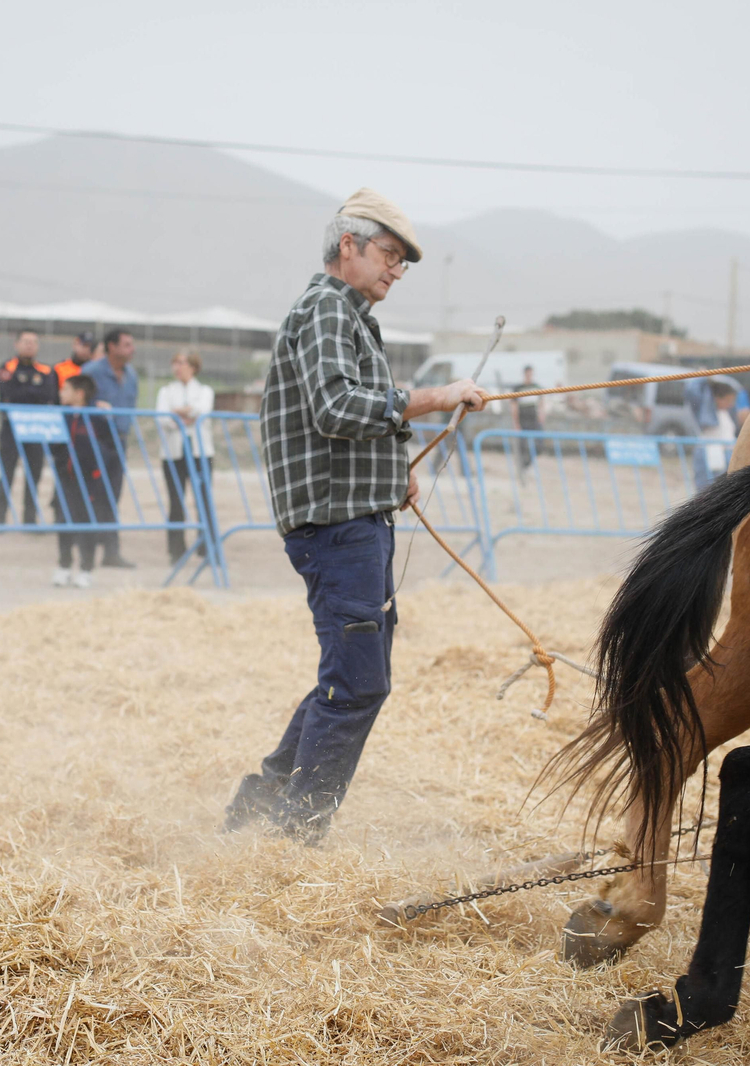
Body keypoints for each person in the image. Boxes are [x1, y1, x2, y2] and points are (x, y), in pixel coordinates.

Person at [223, 189, 484, 844]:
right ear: (350, 247)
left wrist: (389, 476)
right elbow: (336, 408)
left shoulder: (346, 315)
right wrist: (437, 397)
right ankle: (294, 835)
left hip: (349, 522)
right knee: (359, 682)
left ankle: (262, 804)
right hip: (336, 530)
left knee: (349, 678)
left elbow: (342, 420)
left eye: (402, 260)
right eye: (390, 254)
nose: (397, 269)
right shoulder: (327, 310)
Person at [83, 329, 139, 568]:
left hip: (119, 442)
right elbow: (78, 401)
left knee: (112, 497)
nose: (131, 349)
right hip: (95, 441)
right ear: (111, 347)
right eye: (126, 344)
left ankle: (111, 551)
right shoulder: (91, 372)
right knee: (93, 495)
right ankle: (87, 549)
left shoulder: (132, 375)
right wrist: (95, 407)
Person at [154, 349, 215, 562]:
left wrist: (180, 413)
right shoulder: (166, 391)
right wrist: (183, 418)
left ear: (193, 366)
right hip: (173, 452)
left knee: (204, 501)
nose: (178, 367)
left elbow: (202, 411)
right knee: (176, 502)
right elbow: (163, 418)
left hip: (200, 452)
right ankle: (176, 550)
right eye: (175, 362)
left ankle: (207, 548)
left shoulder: (205, 390)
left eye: (182, 362)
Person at [0, 329, 58, 526]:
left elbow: (49, 395)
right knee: (7, 473)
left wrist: (25, 391)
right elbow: (8, 393)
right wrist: (32, 393)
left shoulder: (46, 370)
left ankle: (29, 520)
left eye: (34, 342)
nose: (29, 345)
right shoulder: (7, 367)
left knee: (34, 475)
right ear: (17, 344)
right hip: (11, 429)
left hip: (35, 429)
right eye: (26, 341)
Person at [51, 373, 110, 588]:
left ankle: (86, 569)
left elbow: (109, 446)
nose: (61, 393)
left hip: (88, 481)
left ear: (79, 394)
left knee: (87, 524)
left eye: (65, 389)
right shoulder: (61, 416)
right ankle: (64, 566)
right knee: (62, 521)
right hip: (64, 479)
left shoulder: (96, 418)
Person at [685, 376, 740, 490]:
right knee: (706, 489)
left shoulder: (726, 414)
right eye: (728, 400)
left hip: (725, 454)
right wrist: (703, 378)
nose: (731, 404)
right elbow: (691, 391)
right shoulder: (707, 411)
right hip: (710, 453)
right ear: (717, 398)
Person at [510, 364, 543, 482]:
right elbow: (514, 406)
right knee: (522, 445)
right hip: (523, 419)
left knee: (539, 444)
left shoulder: (536, 387)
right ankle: (523, 467)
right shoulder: (518, 388)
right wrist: (516, 423)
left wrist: (541, 416)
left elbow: (541, 403)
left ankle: (528, 464)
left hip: (534, 418)